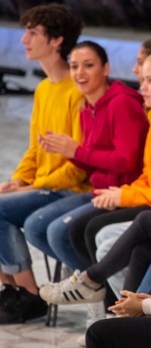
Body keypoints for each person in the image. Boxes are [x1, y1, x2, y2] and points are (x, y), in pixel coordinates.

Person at [42, 46, 151, 306]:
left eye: (150, 81)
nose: (142, 87)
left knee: (95, 230)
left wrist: (123, 195)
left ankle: (96, 291)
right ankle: (114, 314)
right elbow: (150, 175)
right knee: (90, 232)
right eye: (142, 80)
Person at [24, 41, 149, 274]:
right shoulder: (86, 107)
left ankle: (95, 283)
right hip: (99, 190)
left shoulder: (121, 103)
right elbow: (94, 163)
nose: (79, 73)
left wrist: (76, 151)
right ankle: (91, 278)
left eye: (88, 65)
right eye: (74, 66)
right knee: (36, 227)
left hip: (124, 192)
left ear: (106, 68)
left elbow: (126, 161)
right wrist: (66, 151)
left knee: (58, 232)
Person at [0, 3, 85, 324]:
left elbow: (79, 161)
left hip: (69, 188)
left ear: (56, 41)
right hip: (45, 186)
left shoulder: (77, 90)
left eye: (33, 33)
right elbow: (35, 149)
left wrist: (37, 185)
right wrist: (19, 180)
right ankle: (11, 289)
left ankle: (29, 295)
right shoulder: (43, 89)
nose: (24, 40)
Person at [79, 145, 151, 348]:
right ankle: (121, 315)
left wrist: (144, 305)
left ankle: (95, 285)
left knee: (97, 334)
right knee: (141, 249)